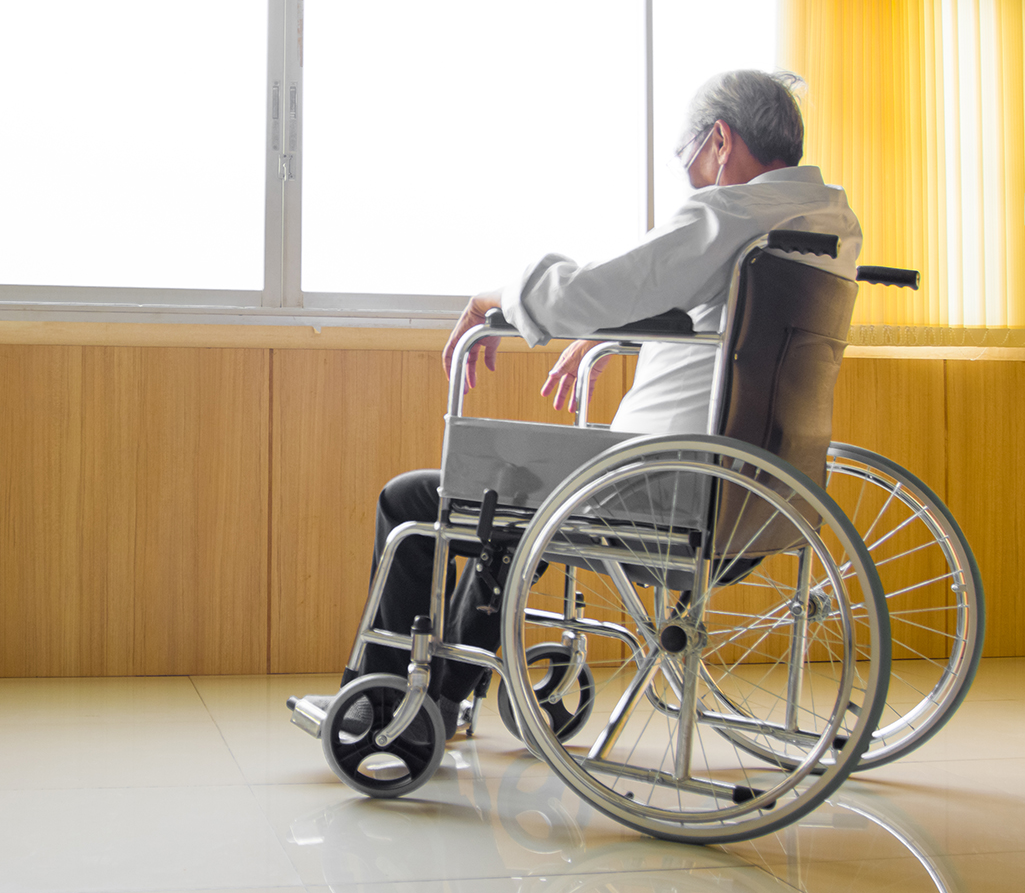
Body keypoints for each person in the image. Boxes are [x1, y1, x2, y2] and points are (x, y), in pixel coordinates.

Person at [358, 69, 862, 737]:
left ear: (719, 140)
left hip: (659, 493)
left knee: (416, 499)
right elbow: (704, 308)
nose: (690, 180)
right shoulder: (826, 222)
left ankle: (393, 703)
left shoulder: (730, 210)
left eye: (689, 163)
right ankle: (443, 695)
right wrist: (612, 329)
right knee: (511, 507)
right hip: (756, 495)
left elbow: (590, 288)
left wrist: (491, 300)